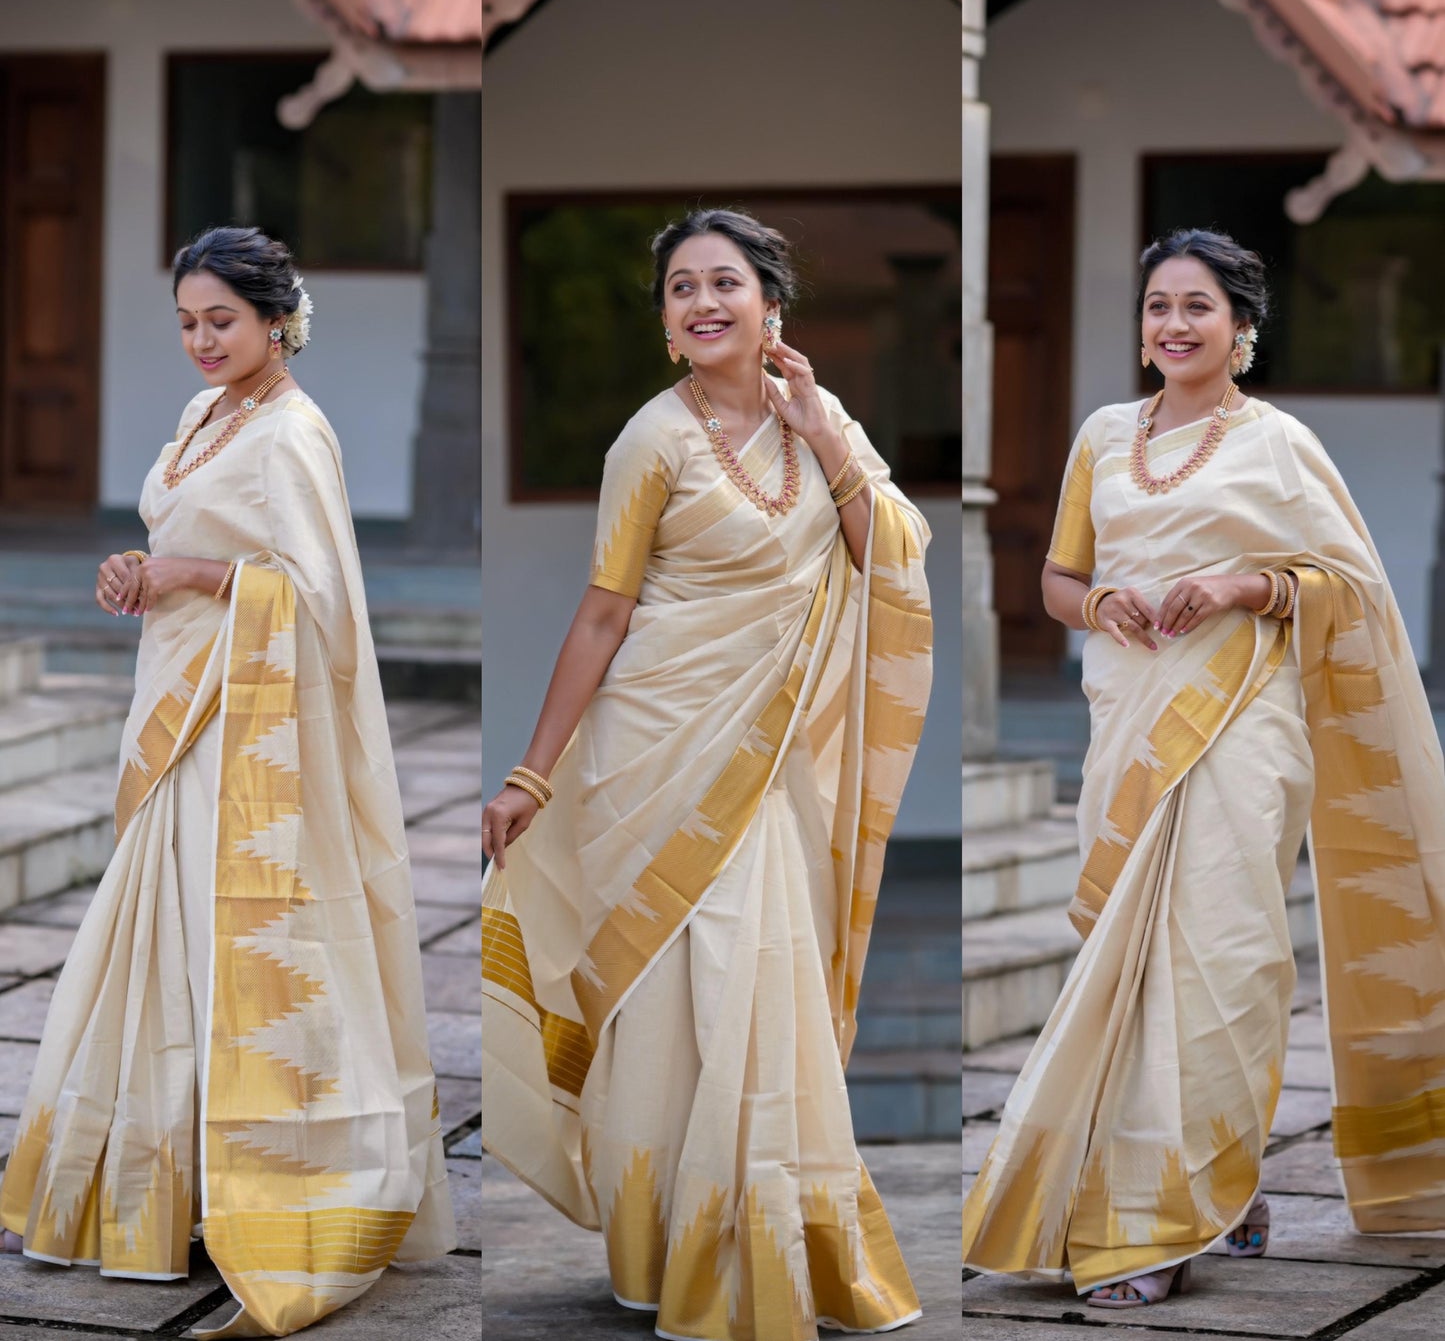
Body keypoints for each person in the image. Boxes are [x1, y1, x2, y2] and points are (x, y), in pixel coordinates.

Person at [962, 228, 1445, 1307]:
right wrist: (1097, 604)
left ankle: (1164, 1218)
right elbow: (1053, 577)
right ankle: (1221, 1182)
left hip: (1241, 723)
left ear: (1241, 328)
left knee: (1222, 959)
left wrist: (1241, 586)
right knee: (1127, 966)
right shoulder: (1100, 435)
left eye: (1196, 306)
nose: (1172, 324)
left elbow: (1353, 591)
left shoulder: (1276, 444)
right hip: (1127, 720)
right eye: (1156, 307)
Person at [481, 208, 933, 1337]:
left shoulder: (819, 427)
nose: (700, 302)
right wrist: (531, 778)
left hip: (758, 762)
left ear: (771, 305)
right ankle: (669, 1238)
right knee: (667, 1004)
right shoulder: (651, 439)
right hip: (654, 746)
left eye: (723, 281)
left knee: (755, 978)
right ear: (667, 324)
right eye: (680, 289)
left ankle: (763, 1230)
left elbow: (892, 556)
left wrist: (822, 428)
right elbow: (602, 612)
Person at [0, 227, 454, 1336]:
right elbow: (186, 541)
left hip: (242, 731)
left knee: (232, 946)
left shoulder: (294, 433)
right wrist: (138, 573)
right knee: (160, 937)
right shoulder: (211, 418)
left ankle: (275, 1185)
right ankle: (166, 1186)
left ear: (276, 319)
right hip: (181, 696)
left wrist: (193, 573)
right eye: (189, 322)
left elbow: (321, 605)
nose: (203, 340)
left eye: (223, 320)